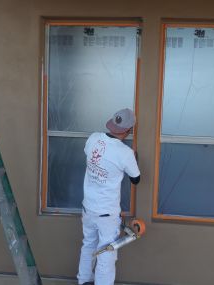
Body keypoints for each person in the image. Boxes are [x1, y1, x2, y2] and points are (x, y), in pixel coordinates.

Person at [77, 108, 141, 285]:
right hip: (106, 213)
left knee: (88, 244)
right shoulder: (125, 153)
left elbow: (90, 155)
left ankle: (83, 281)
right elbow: (136, 179)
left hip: (87, 207)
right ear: (128, 131)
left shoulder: (93, 138)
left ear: (112, 123)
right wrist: (134, 158)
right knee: (106, 252)